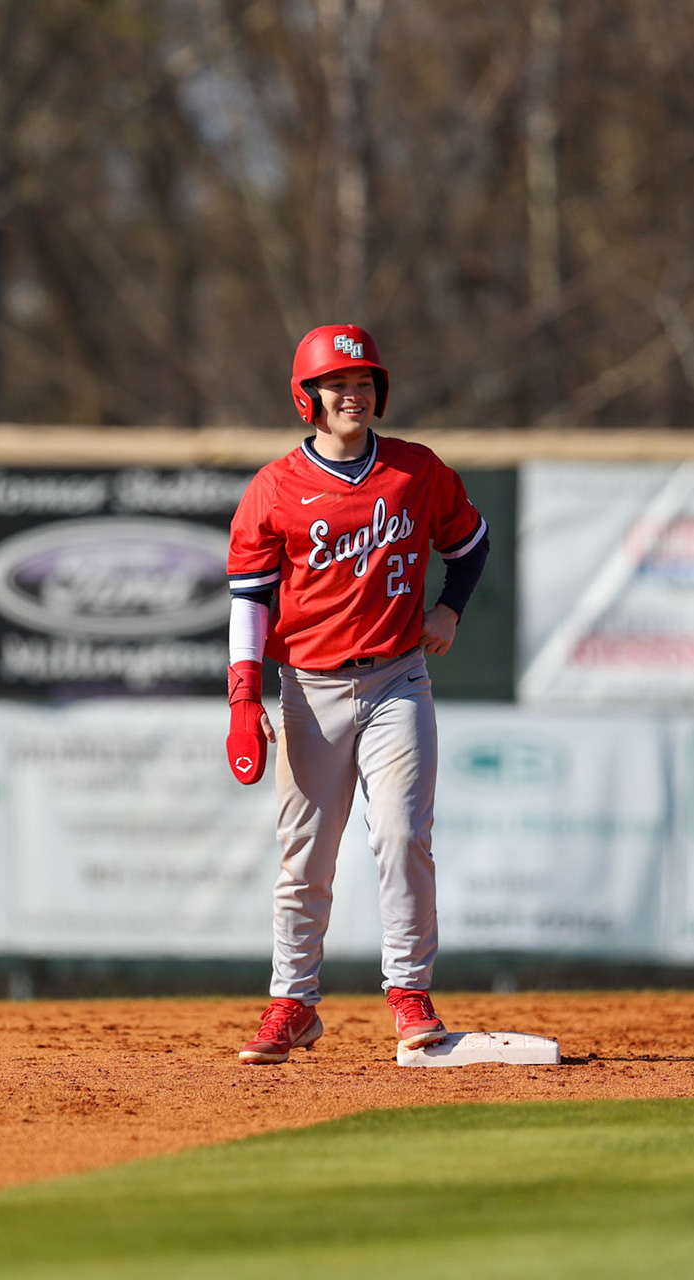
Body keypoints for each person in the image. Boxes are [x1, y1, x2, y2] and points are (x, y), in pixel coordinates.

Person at [224, 323, 490, 1064]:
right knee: (305, 855)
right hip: (310, 688)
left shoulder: (414, 471)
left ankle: (408, 992)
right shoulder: (275, 487)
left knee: (402, 835)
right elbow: (249, 599)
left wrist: (450, 608)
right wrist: (245, 698)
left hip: (397, 678)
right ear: (307, 397)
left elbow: (470, 543)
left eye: (364, 382)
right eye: (337, 384)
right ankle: (293, 1004)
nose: (353, 394)